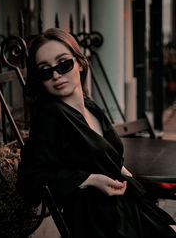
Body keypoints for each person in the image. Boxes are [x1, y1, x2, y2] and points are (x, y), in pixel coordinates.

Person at [16, 28, 176, 237]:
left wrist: (126, 175)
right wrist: (89, 179)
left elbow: (111, 160)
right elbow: (29, 182)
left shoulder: (91, 108)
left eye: (64, 64)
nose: (56, 75)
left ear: (80, 64)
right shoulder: (49, 116)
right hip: (100, 224)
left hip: (127, 209)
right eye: (45, 71)